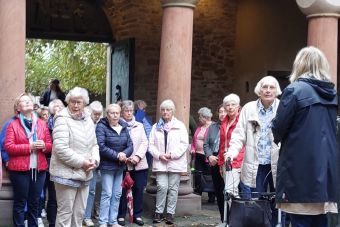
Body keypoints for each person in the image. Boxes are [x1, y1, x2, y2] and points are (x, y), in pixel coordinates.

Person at [272, 46, 339, 227]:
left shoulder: (295, 90)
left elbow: (279, 128)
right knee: (321, 219)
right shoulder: (332, 94)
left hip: (300, 168)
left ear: (299, 65)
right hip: (325, 169)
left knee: (300, 220)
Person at [224, 76, 283, 227]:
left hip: (278, 164)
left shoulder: (283, 107)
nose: (268, 90)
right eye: (265, 87)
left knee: (280, 202)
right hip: (255, 164)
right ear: (259, 90)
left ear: (277, 90)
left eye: (271, 87)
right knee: (257, 203)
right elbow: (238, 135)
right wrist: (232, 152)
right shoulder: (249, 108)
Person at [49, 87, 100, 227]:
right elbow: (61, 149)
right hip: (65, 174)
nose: (76, 105)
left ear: (85, 103)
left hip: (85, 173)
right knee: (65, 215)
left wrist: (94, 160)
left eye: (79, 102)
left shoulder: (88, 120)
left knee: (79, 214)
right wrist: (82, 162)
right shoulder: (61, 119)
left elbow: (94, 144)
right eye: (72, 102)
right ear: (68, 102)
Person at [5, 93, 52, 227]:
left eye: (29, 101)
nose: (27, 102)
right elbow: (9, 147)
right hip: (20, 170)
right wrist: (29, 147)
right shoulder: (12, 125)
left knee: (35, 202)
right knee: (20, 202)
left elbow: (50, 145)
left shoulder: (42, 124)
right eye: (23, 101)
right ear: (18, 108)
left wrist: (44, 146)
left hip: (39, 169)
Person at [149, 99, 189, 225]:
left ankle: (170, 213)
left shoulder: (180, 125)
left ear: (173, 111)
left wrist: (171, 155)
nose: (165, 112)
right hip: (161, 161)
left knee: (173, 188)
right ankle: (158, 212)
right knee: (162, 186)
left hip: (175, 161)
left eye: (168, 109)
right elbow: (151, 144)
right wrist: (159, 155)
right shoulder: (156, 127)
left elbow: (184, 144)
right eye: (163, 110)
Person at [96, 104, 133, 227]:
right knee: (107, 193)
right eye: (112, 113)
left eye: (117, 113)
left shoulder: (124, 126)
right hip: (107, 166)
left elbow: (130, 145)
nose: (115, 115)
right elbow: (101, 146)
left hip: (120, 166)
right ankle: (103, 221)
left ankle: (113, 221)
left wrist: (124, 154)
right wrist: (117, 155)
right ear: (107, 114)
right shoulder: (101, 127)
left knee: (117, 194)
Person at [117, 100, 148, 226]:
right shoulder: (117, 125)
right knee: (122, 191)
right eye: (126, 111)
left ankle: (137, 215)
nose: (129, 113)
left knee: (138, 189)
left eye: (131, 111)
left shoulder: (139, 125)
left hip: (139, 164)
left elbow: (144, 143)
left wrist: (137, 156)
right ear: (122, 112)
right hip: (123, 163)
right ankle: (121, 215)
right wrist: (124, 156)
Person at [203, 104, 227, 223]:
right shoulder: (213, 127)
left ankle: (232, 218)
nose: (222, 114)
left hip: (228, 161)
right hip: (214, 160)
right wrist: (210, 156)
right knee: (218, 191)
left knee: (228, 191)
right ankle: (223, 219)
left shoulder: (233, 126)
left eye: (225, 112)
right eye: (220, 112)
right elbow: (206, 144)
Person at [218, 94, 244, 197]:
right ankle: (231, 213)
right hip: (225, 160)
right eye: (227, 105)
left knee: (230, 191)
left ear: (238, 106)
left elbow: (243, 142)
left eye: (233, 104)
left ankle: (236, 212)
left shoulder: (242, 120)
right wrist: (220, 163)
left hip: (237, 159)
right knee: (229, 191)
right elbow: (222, 144)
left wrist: (236, 159)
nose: (230, 107)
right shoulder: (224, 121)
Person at [83, 101, 104, 227]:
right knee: (89, 190)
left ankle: (93, 212)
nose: (97, 116)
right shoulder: (85, 122)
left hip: (99, 162)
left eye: (99, 114)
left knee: (96, 189)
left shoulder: (101, 123)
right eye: (95, 114)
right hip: (86, 161)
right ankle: (85, 216)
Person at [191, 107, 215, 202]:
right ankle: (198, 193)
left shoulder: (213, 127)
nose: (199, 118)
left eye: (200, 117)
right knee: (198, 175)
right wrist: (193, 148)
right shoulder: (199, 127)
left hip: (208, 156)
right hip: (198, 155)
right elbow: (194, 140)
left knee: (209, 176)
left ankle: (211, 196)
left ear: (205, 117)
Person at [134, 100, 153, 167]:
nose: (144, 111)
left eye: (144, 109)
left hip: (149, 145)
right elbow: (137, 121)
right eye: (143, 108)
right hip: (141, 145)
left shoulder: (146, 117)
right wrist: (140, 110)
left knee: (148, 165)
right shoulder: (136, 116)